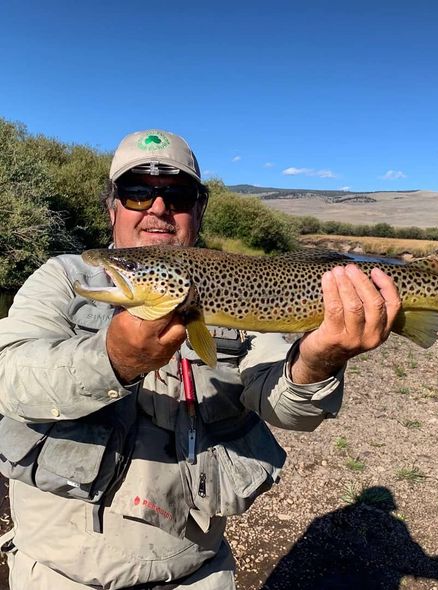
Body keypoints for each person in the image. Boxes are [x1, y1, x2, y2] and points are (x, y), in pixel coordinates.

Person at [0, 129, 400, 589]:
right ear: (112, 208)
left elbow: (286, 408)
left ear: (199, 209)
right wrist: (113, 359)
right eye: (136, 193)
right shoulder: (67, 277)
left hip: (196, 574)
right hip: (55, 574)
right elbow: (8, 378)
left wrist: (319, 359)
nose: (157, 209)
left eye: (178, 195)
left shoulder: (244, 283)